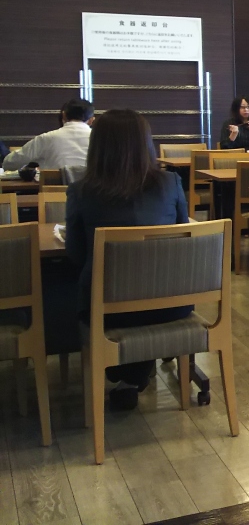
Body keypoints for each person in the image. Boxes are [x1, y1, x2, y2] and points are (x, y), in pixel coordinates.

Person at [65, 110, 189, 411]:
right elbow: (183, 238)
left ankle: (126, 373)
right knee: (144, 291)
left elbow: (76, 256)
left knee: (89, 294)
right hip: (171, 305)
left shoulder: (81, 191)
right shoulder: (170, 183)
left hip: (107, 310)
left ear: (98, 146)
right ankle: (132, 375)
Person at [3, 98, 93, 171]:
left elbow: (8, 163)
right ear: (91, 120)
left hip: (55, 188)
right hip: (93, 188)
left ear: (64, 116)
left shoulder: (46, 138)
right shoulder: (100, 139)